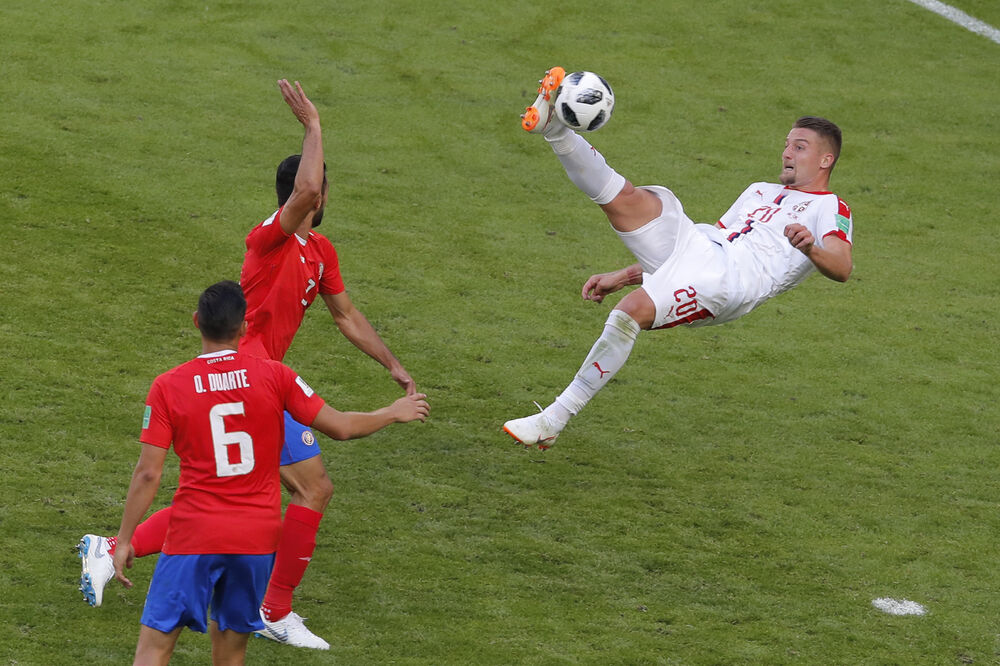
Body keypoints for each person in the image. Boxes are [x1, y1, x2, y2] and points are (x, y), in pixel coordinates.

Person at [78, 79, 418, 650]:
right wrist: (313, 126)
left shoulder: (321, 251)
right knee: (310, 490)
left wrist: (393, 364)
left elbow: (346, 315)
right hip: (251, 379)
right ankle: (273, 609)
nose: (321, 195)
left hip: (261, 378)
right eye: (318, 189)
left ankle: (111, 549)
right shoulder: (269, 239)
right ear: (306, 197)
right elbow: (307, 189)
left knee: (231, 493)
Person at [503, 67, 854, 448]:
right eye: (787, 143)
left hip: (731, 283)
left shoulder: (831, 208)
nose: (787, 152)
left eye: (800, 147)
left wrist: (810, 248)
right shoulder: (759, 190)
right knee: (629, 201)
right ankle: (555, 130)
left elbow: (842, 267)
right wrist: (625, 274)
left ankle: (553, 418)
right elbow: (698, 251)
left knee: (630, 311)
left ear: (825, 160)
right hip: (705, 245)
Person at [112, 280, 428, 665]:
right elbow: (341, 426)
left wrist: (125, 538)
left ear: (197, 321)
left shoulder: (168, 386)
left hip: (194, 535)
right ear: (244, 328)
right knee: (230, 655)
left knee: (154, 648)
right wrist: (393, 412)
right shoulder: (276, 376)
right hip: (256, 539)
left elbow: (148, 474)